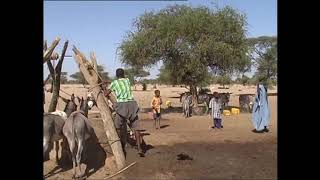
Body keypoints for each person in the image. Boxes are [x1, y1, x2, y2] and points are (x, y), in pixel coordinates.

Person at [104, 68, 144, 157]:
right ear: (123, 74)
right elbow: (120, 81)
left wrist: (104, 87)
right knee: (136, 128)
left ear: (116, 75)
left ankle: (120, 146)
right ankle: (139, 148)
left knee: (117, 126)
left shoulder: (114, 83)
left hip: (122, 106)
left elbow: (106, 93)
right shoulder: (127, 80)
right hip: (133, 105)